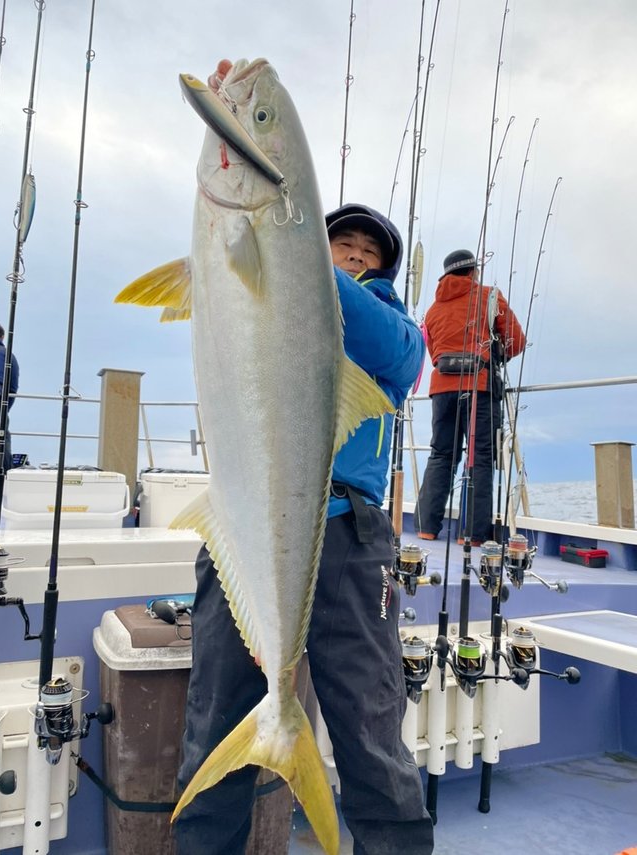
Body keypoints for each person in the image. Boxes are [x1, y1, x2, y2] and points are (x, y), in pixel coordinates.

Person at [175, 203, 434, 855]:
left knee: (371, 728)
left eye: (365, 253)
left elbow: (395, 353)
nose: (350, 254)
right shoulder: (266, 313)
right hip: (244, 527)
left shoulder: (393, 327)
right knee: (214, 722)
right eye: (337, 243)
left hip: (350, 537)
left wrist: (300, 261)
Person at [414, 249, 526, 545]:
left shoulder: (433, 311)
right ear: (473, 272)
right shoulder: (490, 296)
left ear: (446, 276)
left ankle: (426, 527)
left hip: (442, 390)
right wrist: (499, 355)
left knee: (441, 455)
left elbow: (433, 350)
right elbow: (517, 340)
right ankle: (472, 535)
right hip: (479, 386)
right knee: (479, 457)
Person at [0, 322, 19, 472]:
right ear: (2, 336)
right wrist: (5, 408)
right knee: (2, 439)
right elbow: (12, 388)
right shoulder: (8, 355)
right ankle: (2, 479)